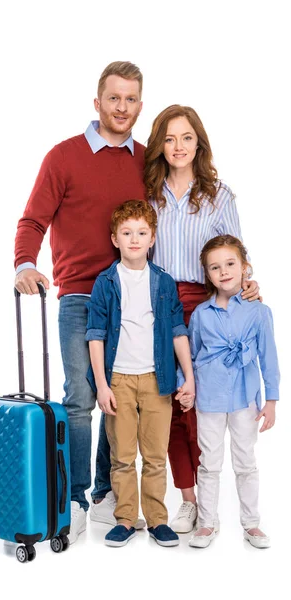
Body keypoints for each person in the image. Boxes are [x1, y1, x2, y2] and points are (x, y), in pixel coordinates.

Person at [93, 104, 260, 533]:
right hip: (159, 304)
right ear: (159, 146)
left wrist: (248, 286)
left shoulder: (219, 195)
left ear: (198, 142)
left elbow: (235, 254)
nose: (178, 146)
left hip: (206, 306)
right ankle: (186, 499)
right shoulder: (149, 194)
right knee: (167, 402)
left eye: (186, 138)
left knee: (200, 401)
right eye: (169, 139)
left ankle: (207, 501)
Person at [14, 61, 146, 543]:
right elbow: (32, 221)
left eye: (132, 99)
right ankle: (75, 495)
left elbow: (168, 226)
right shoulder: (64, 156)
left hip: (131, 298)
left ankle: (108, 493)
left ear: (139, 104)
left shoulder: (145, 160)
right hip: (79, 296)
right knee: (80, 399)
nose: (122, 108)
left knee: (122, 398)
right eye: (114, 98)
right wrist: (24, 264)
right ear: (97, 102)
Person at [86, 200, 195, 547]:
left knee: (154, 455)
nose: (134, 239)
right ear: (115, 239)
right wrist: (102, 385)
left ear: (152, 239)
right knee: (121, 456)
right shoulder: (106, 282)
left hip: (156, 379)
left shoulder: (163, 282)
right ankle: (125, 519)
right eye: (127, 233)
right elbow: (96, 335)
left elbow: (178, 330)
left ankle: (158, 520)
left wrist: (188, 377)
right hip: (118, 379)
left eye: (142, 233)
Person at [186, 235, 279, 548]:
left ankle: (252, 524)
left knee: (245, 461)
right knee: (209, 463)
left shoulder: (258, 312)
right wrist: (184, 386)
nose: (223, 271)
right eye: (215, 267)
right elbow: (192, 357)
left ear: (244, 268)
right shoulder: (200, 315)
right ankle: (207, 523)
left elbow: (269, 358)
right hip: (209, 399)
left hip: (244, 398)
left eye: (230, 264)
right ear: (208, 275)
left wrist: (272, 401)